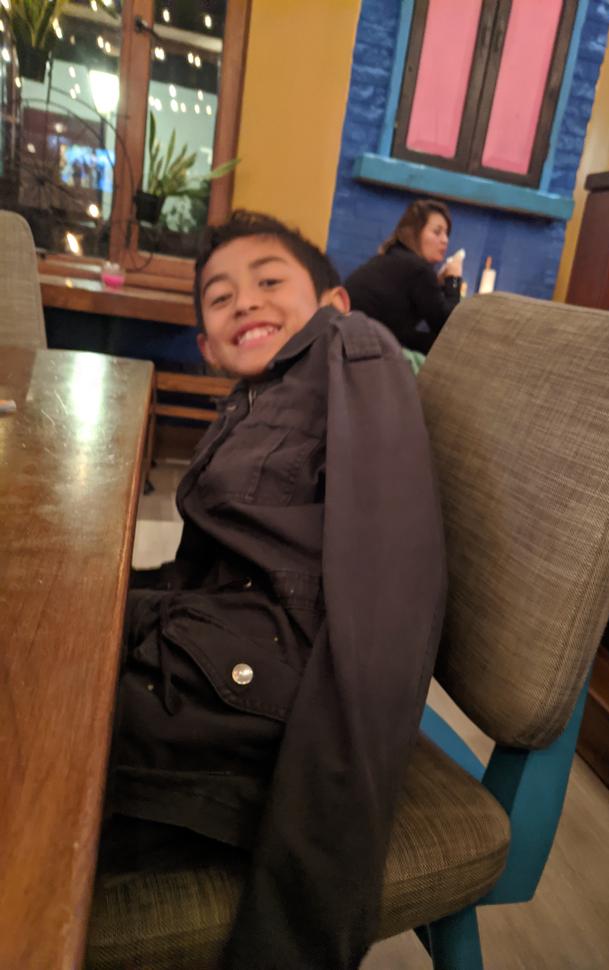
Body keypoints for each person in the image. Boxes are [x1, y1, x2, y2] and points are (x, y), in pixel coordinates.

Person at [102, 210, 447, 969]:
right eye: (221, 298)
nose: (245, 303)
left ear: (333, 302)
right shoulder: (253, 399)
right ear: (206, 344)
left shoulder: (353, 348)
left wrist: (297, 931)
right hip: (212, 657)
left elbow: (388, 597)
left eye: (268, 281)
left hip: (270, 706)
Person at [345, 198, 463, 354]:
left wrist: (439, 283)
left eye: (446, 234)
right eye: (437, 232)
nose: (445, 240)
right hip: (360, 347)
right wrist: (453, 280)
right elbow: (448, 326)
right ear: (414, 232)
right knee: (453, 348)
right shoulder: (419, 269)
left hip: (347, 337)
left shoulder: (394, 257)